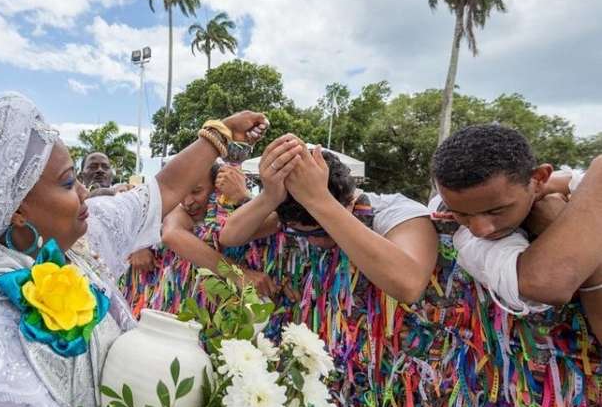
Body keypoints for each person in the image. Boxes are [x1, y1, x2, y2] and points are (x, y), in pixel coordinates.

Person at [0, 92, 267, 407]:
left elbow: (165, 188)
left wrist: (221, 132)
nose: (86, 191)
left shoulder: (82, 242)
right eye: (68, 183)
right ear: (15, 209)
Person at [220, 136, 438, 304]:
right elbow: (230, 236)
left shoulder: (394, 211)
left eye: (321, 231)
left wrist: (320, 200)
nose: (316, 242)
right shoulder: (296, 208)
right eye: (302, 233)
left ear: (348, 203)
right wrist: (270, 196)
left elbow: (410, 286)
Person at [431, 124, 601, 339]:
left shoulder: (564, 186)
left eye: (496, 211)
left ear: (538, 179)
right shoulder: (458, 232)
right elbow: (547, 283)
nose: (480, 229)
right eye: (462, 214)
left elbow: (570, 181)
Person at [158, 162, 278, 296]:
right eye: (182, 193)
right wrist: (238, 274)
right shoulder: (178, 212)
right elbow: (171, 235)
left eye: (196, 191)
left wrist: (243, 198)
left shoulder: (239, 209)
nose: (187, 202)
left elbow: (274, 222)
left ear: (217, 188)